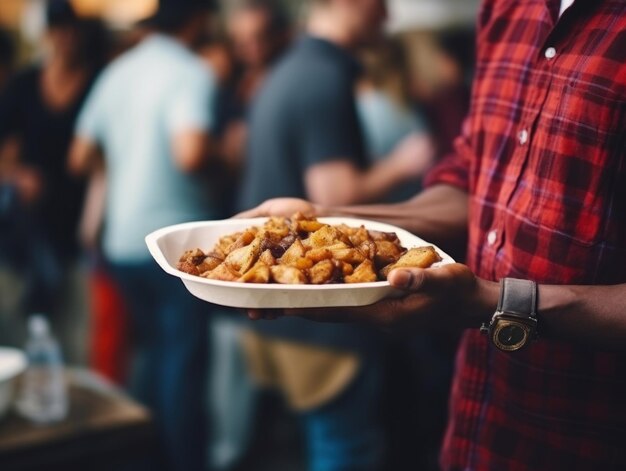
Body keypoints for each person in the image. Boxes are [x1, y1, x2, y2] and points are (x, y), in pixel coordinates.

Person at [241, 0, 626, 469]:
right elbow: (475, 180)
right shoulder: (505, 9)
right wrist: (321, 216)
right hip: (478, 421)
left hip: (589, 434)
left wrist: (493, 304)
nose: (387, 12)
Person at [238, 0, 434, 469]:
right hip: (321, 319)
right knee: (346, 449)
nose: (387, 15)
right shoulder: (325, 77)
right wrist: (405, 163)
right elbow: (334, 193)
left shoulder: (289, 67)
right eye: (380, 3)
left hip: (281, 310)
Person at [69, 0, 219, 469]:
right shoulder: (191, 71)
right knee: (182, 365)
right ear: (197, 20)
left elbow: (78, 156)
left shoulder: (117, 72)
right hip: (176, 247)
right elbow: (190, 153)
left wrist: (127, 162)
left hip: (121, 240)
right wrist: (228, 153)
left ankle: (139, 456)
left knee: (152, 355)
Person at [0, 1, 106, 357]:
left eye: (71, 30)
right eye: (58, 30)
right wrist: (16, 174)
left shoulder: (97, 82)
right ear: (47, 35)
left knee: (76, 332)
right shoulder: (24, 84)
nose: (65, 38)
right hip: (30, 226)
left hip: (79, 224)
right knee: (27, 325)